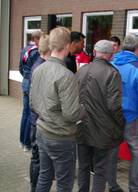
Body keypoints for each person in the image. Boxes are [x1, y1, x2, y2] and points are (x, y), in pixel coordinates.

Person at [30, 27, 83, 192]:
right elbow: (71, 113)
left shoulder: (38, 69)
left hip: (42, 131)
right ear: (67, 46)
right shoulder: (66, 76)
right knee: (64, 183)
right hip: (60, 136)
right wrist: (84, 109)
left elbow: (32, 103)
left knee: (44, 176)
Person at [76, 40, 125, 192]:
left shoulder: (82, 70)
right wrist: (121, 123)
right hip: (102, 130)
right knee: (100, 169)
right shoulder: (112, 73)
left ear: (96, 53)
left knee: (83, 166)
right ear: (110, 55)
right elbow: (114, 106)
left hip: (81, 126)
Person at [107, 34, 138, 192]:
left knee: (112, 151)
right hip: (130, 117)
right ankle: (135, 188)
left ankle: (112, 185)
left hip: (112, 116)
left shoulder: (111, 63)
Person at [29, 34, 51, 192]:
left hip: (35, 120)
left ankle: (34, 187)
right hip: (39, 121)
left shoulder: (38, 64)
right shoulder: (42, 68)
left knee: (36, 158)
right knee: (39, 160)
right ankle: (35, 187)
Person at [19, 30, 41, 151]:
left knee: (25, 113)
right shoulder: (36, 52)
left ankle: (22, 141)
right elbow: (36, 70)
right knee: (30, 115)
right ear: (37, 38)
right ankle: (27, 143)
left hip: (25, 82)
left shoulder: (25, 49)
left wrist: (26, 78)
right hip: (31, 83)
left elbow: (20, 68)